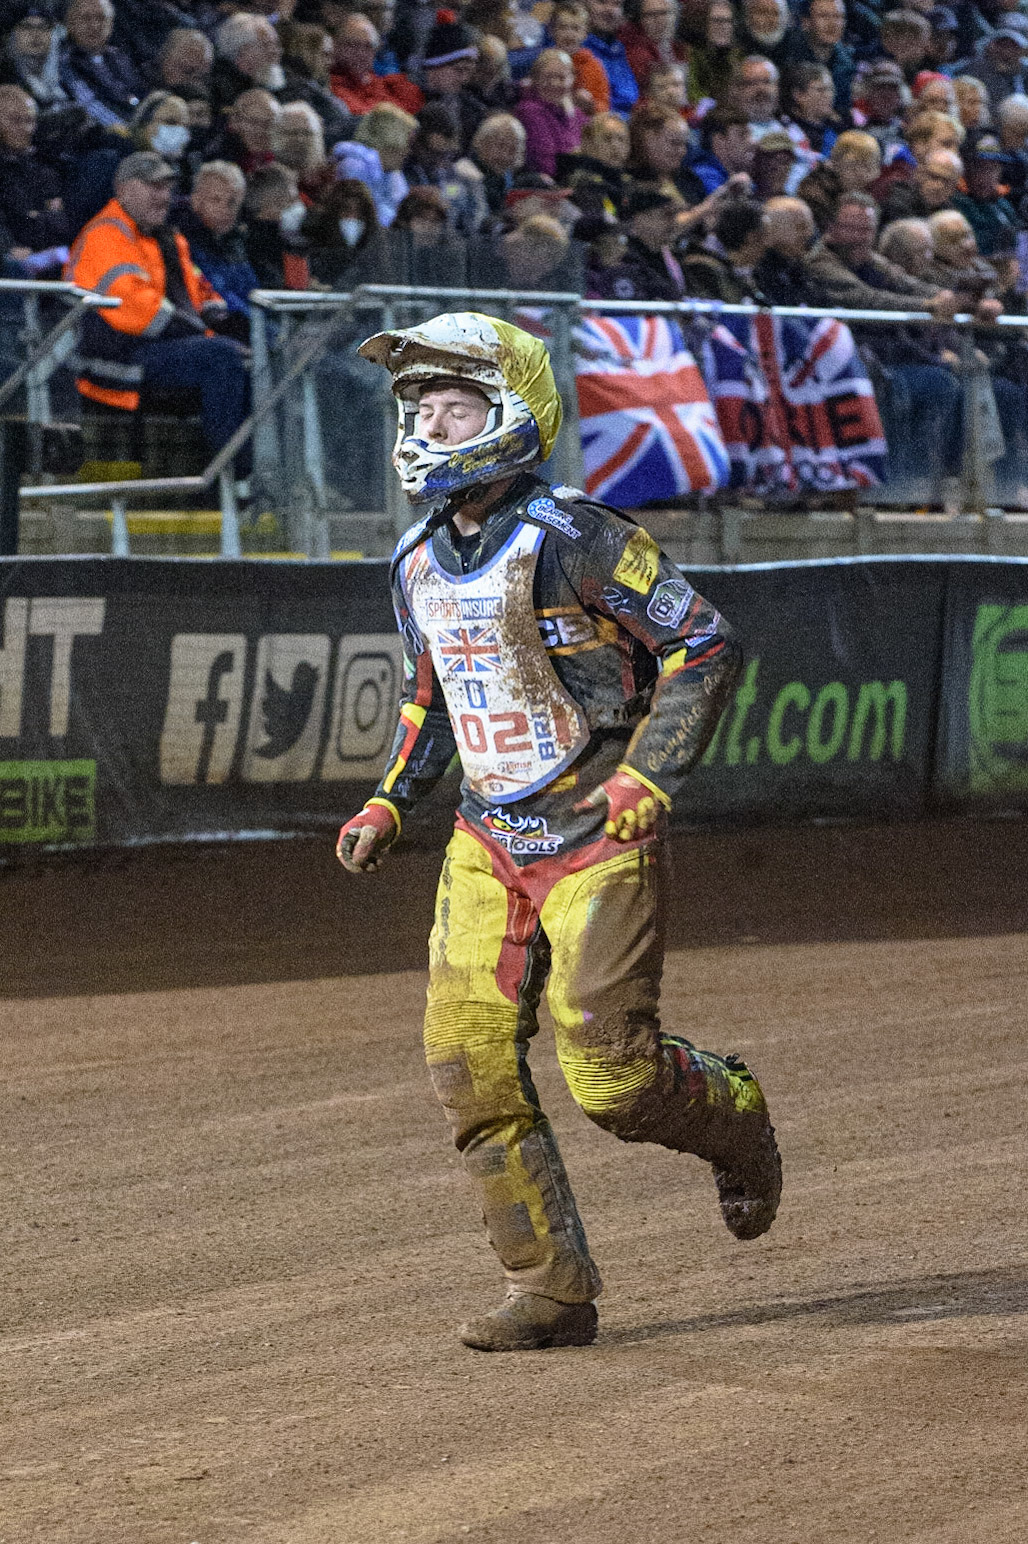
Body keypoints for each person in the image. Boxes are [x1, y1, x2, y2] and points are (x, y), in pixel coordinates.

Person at [337, 310, 781, 1352]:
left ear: (510, 413)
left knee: (615, 1078)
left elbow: (701, 643)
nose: (430, 425)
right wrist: (391, 798)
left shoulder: (579, 536)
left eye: (453, 406)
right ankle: (548, 1286)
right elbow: (431, 696)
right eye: (420, 407)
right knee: (466, 1058)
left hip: (593, 825)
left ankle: (735, 1115)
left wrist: (647, 775)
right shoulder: (412, 559)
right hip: (486, 836)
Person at [65, 150, 250, 462]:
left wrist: (235, 327)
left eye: (167, 188)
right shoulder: (106, 234)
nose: (163, 196)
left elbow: (202, 295)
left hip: (159, 347)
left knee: (261, 358)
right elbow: (142, 315)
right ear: (123, 189)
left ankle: (263, 471)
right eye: (153, 186)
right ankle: (234, 477)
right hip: (114, 358)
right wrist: (213, 338)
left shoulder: (166, 238)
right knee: (223, 357)